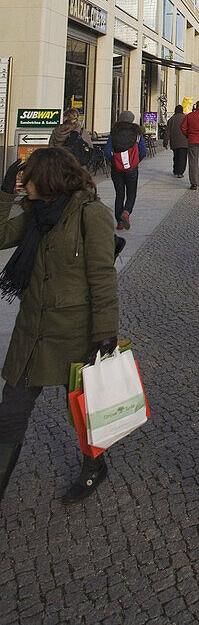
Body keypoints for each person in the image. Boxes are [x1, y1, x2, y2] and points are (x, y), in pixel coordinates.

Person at [0, 148, 118, 507]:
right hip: (32, 329)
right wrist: (6, 193)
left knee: (84, 408)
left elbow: (102, 275)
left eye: (29, 176)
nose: (25, 183)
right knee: (11, 412)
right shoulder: (34, 212)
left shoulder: (91, 214)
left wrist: (105, 332)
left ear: (49, 177)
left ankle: (94, 466)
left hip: (74, 330)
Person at [103, 111, 147, 230]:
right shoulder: (137, 134)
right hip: (131, 168)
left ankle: (119, 222)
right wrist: (135, 162)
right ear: (132, 120)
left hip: (116, 168)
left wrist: (113, 161)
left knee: (119, 194)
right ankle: (126, 212)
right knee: (131, 193)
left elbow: (107, 152)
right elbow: (143, 152)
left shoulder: (114, 133)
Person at [163, 104, 188, 178]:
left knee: (176, 156)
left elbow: (167, 132)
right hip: (184, 142)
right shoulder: (186, 118)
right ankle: (180, 172)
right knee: (183, 157)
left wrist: (165, 142)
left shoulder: (171, 119)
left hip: (174, 141)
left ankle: (176, 170)